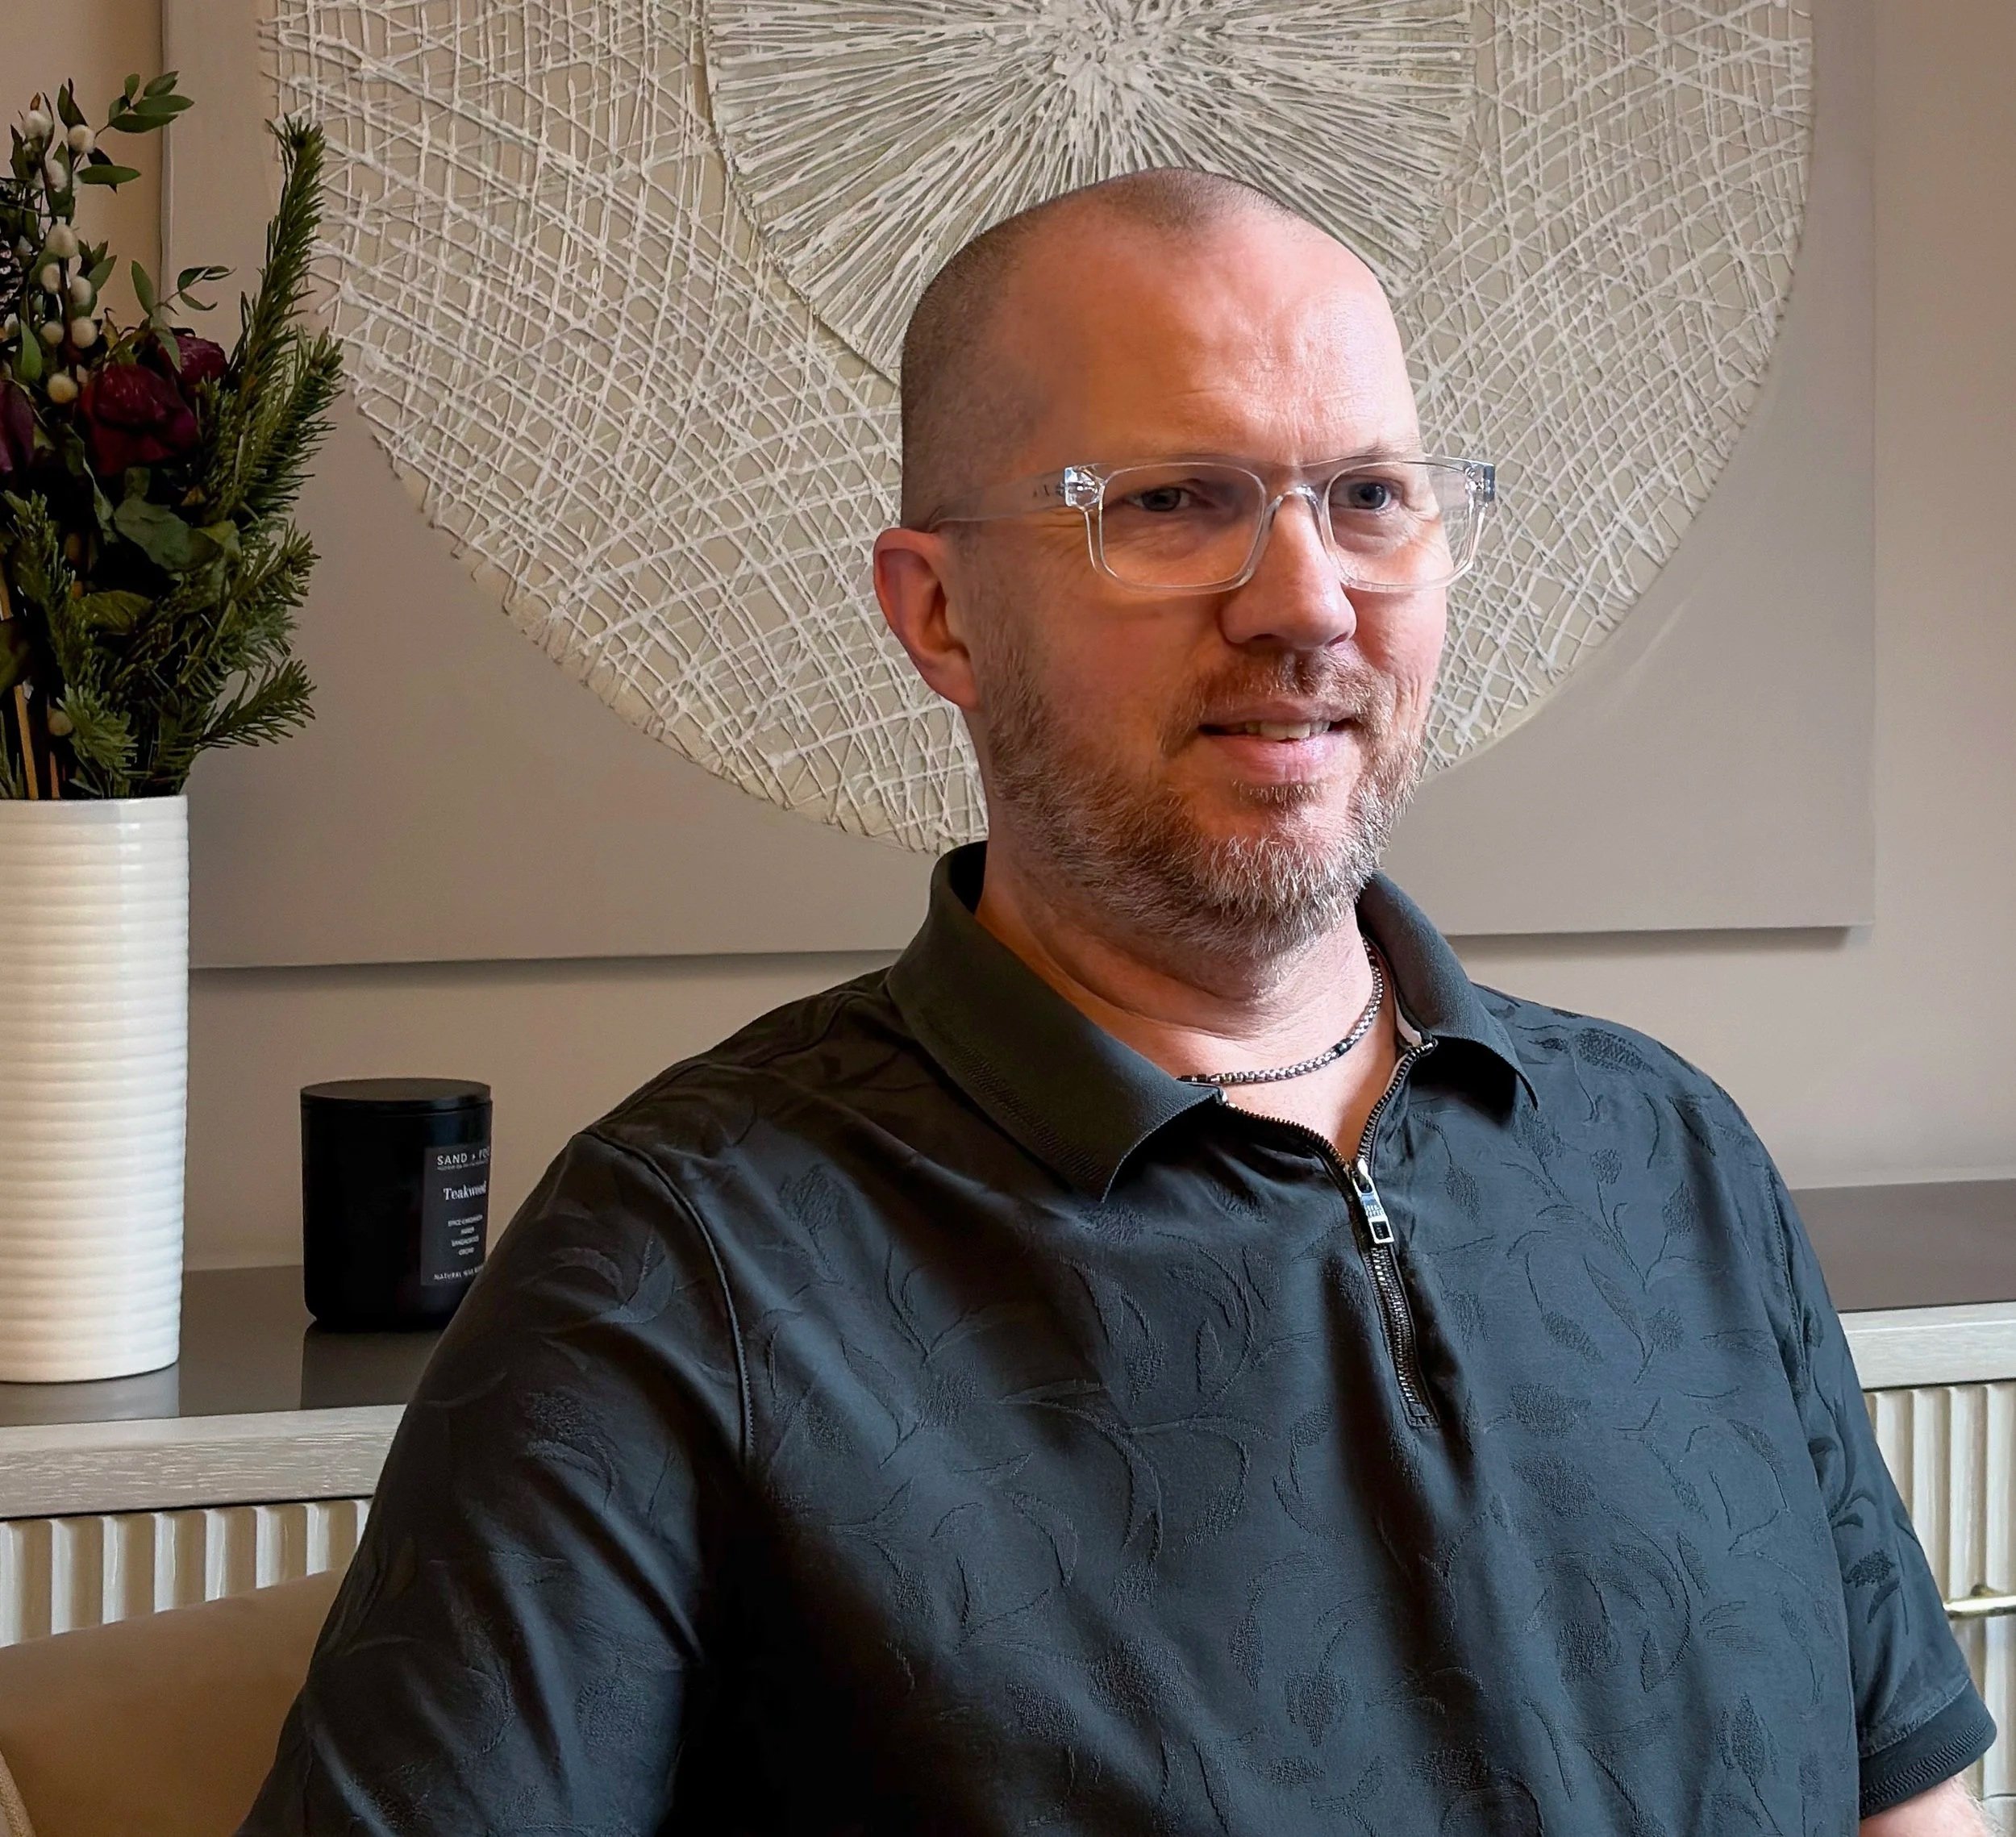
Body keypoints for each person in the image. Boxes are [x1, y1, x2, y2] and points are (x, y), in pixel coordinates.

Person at [240, 169, 1994, 1835]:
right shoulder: (683, 1266)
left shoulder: (1665, 1154)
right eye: (1171, 503)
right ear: (939, 614)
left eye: (1370, 497)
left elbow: (1901, 1787)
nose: (1303, 600)